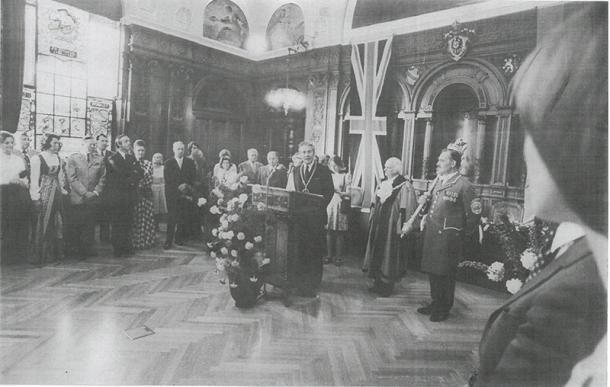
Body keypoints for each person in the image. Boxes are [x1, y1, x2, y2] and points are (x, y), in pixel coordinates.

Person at [471, 5, 607, 386]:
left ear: (575, 143)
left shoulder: (583, 292)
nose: (525, 152)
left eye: (531, 129)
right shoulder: (588, 257)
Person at [416, 147, 478, 322]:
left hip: (449, 238)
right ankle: (435, 302)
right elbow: (435, 206)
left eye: (442, 160)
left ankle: (444, 307)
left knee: (445, 274)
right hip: (433, 235)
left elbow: (474, 215)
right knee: (433, 271)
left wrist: (462, 238)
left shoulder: (464, 185)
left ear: (452, 163)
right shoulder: (438, 182)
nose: (438, 163)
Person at [362, 157, 418, 296]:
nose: (385, 169)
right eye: (385, 167)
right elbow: (375, 203)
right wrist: (372, 219)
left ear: (395, 169)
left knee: (389, 253)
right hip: (379, 223)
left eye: (387, 167)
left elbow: (407, 208)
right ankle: (377, 282)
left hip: (392, 225)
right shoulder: (382, 183)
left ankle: (387, 286)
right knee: (377, 250)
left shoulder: (404, 186)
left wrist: (403, 226)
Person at [288, 141, 334, 297]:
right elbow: (293, 191)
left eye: (309, 152)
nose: (306, 155)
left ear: (313, 153)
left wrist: (318, 207)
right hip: (300, 218)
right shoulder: (295, 170)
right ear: (300, 154)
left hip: (316, 217)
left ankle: (313, 282)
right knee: (300, 250)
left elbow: (330, 192)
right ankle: (300, 281)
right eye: (304, 152)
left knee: (314, 250)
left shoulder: (323, 170)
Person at [30, 134, 69, 264]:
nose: (57, 145)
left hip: (56, 193)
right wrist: (35, 198)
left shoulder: (57, 158)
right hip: (44, 193)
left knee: (57, 221)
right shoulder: (37, 158)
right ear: (47, 143)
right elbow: (34, 180)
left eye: (59, 143)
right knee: (43, 222)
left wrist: (62, 190)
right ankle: (41, 255)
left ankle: (55, 253)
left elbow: (59, 177)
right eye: (54, 143)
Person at [65, 136, 106, 259]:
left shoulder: (100, 159)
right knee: (78, 224)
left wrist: (96, 192)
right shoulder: (73, 159)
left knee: (90, 224)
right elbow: (72, 178)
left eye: (94, 145)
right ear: (83, 144)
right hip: (78, 198)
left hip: (93, 197)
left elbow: (103, 177)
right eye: (91, 144)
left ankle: (88, 248)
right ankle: (76, 250)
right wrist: (84, 192)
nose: (94, 147)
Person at [105, 135, 139, 257]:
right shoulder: (112, 158)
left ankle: (127, 246)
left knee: (128, 222)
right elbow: (113, 178)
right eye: (125, 141)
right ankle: (118, 249)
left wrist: (131, 179)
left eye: (129, 140)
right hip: (117, 196)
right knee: (117, 223)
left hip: (130, 195)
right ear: (118, 144)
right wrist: (129, 178)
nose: (129, 142)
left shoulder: (131, 157)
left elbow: (139, 172)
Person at [0, 131, 31, 264]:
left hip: (17, 195)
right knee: (5, 225)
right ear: (1, 144)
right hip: (3, 194)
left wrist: (22, 182)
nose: (10, 145)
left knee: (18, 223)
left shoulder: (18, 159)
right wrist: (9, 180)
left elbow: (24, 177)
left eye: (12, 143)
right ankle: (4, 256)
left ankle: (17, 255)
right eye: (7, 143)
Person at [164, 141, 196, 249]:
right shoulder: (168, 163)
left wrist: (186, 186)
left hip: (185, 193)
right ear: (173, 150)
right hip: (172, 194)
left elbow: (193, 178)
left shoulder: (190, 162)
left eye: (182, 149)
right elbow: (168, 179)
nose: (180, 151)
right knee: (172, 218)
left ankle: (179, 238)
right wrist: (178, 187)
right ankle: (168, 240)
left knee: (183, 217)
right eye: (178, 149)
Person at [324, 156, 352, 266]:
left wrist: (338, 192)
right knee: (329, 230)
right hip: (329, 204)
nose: (333, 167)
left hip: (340, 203)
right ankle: (329, 256)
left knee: (339, 232)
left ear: (340, 165)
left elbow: (349, 193)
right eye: (331, 164)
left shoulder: (346, 176)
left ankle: (339, 257)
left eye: (335, 164)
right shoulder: (328, 175)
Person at [130, 140, 156, 250]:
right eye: (138, 150)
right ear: (134, 150)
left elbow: (147, 180)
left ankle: (146, 241)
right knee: (135, 219)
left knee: (147, 218)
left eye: (142, 151)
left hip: (145, 194)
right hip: (133, 195)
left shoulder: (148, 164)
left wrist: (138, 184)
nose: (140, 153)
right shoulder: (130, 163)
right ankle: (135, 242)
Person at [187, 141, 208, 241]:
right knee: (191, 210)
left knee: (200, 210)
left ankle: (198, 233)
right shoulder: (187, 159)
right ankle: (190, 233)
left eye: (196, 147)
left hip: (200, 187)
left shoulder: (202, 159)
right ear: (190, 149)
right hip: (191, 187)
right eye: (192, 147)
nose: (194, 149)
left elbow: (204, 173)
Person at [95, 133, 112, 242]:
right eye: (102, 141)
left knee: (106, 214)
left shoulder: (112, 154)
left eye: (106, 141)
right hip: (95, 188)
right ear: (97, 142)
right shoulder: (91, 154)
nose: (105, 143)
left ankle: (105, 238)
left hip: (108, 189)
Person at [151, 153, 167, 231]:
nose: (157, 159)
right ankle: (153, 225)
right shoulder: (150, 168)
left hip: (162, 189)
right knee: (154, 207)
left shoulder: (163, 168)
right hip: (153, 188)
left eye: (159, 157)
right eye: (156, 157)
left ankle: (157, 224)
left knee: (161, 208)